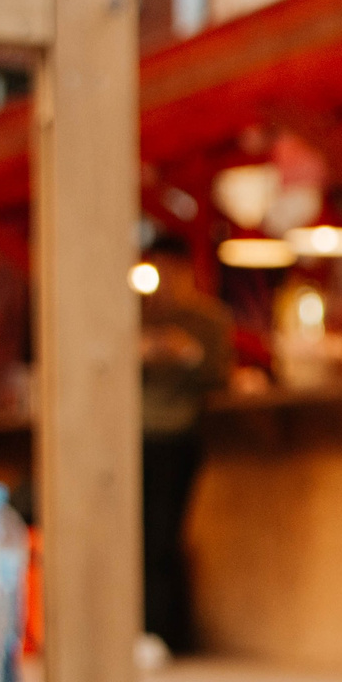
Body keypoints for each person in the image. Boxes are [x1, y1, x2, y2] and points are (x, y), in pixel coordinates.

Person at [138, 232, 234, 654]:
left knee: (164, 534)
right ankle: (141, 628)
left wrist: (186, 353)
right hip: (134, 436)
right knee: (137, 535)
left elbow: (219, 376)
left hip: (178, 434)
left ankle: (163, 633)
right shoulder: (139, 316)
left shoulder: (207, 319)